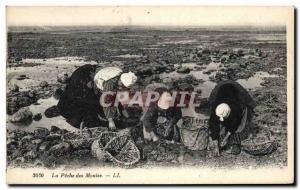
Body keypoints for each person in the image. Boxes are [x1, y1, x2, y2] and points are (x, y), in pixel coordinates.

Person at [57, 64, 137, 131]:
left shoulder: (121, 75)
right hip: (88, 78)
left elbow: (116, 95)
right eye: (121, 86)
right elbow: (106, 101)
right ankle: (87, 119)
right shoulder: (109, 84)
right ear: (120, 81)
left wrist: (124, 112)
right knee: (93, 102)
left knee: (111, 99)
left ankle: (118, 115)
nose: (121, 87)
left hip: (92, 71)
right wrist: (110, 120)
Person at [208, 80, 256, 155]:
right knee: (219, 127)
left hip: (237, 93)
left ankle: (236, 140)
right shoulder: (215, 108)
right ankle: (222, 135)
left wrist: (227, 137)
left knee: (239, 126)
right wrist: (215, 141)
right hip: (221, 89)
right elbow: (213, 124)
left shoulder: (236, 107)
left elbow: (235, 123)